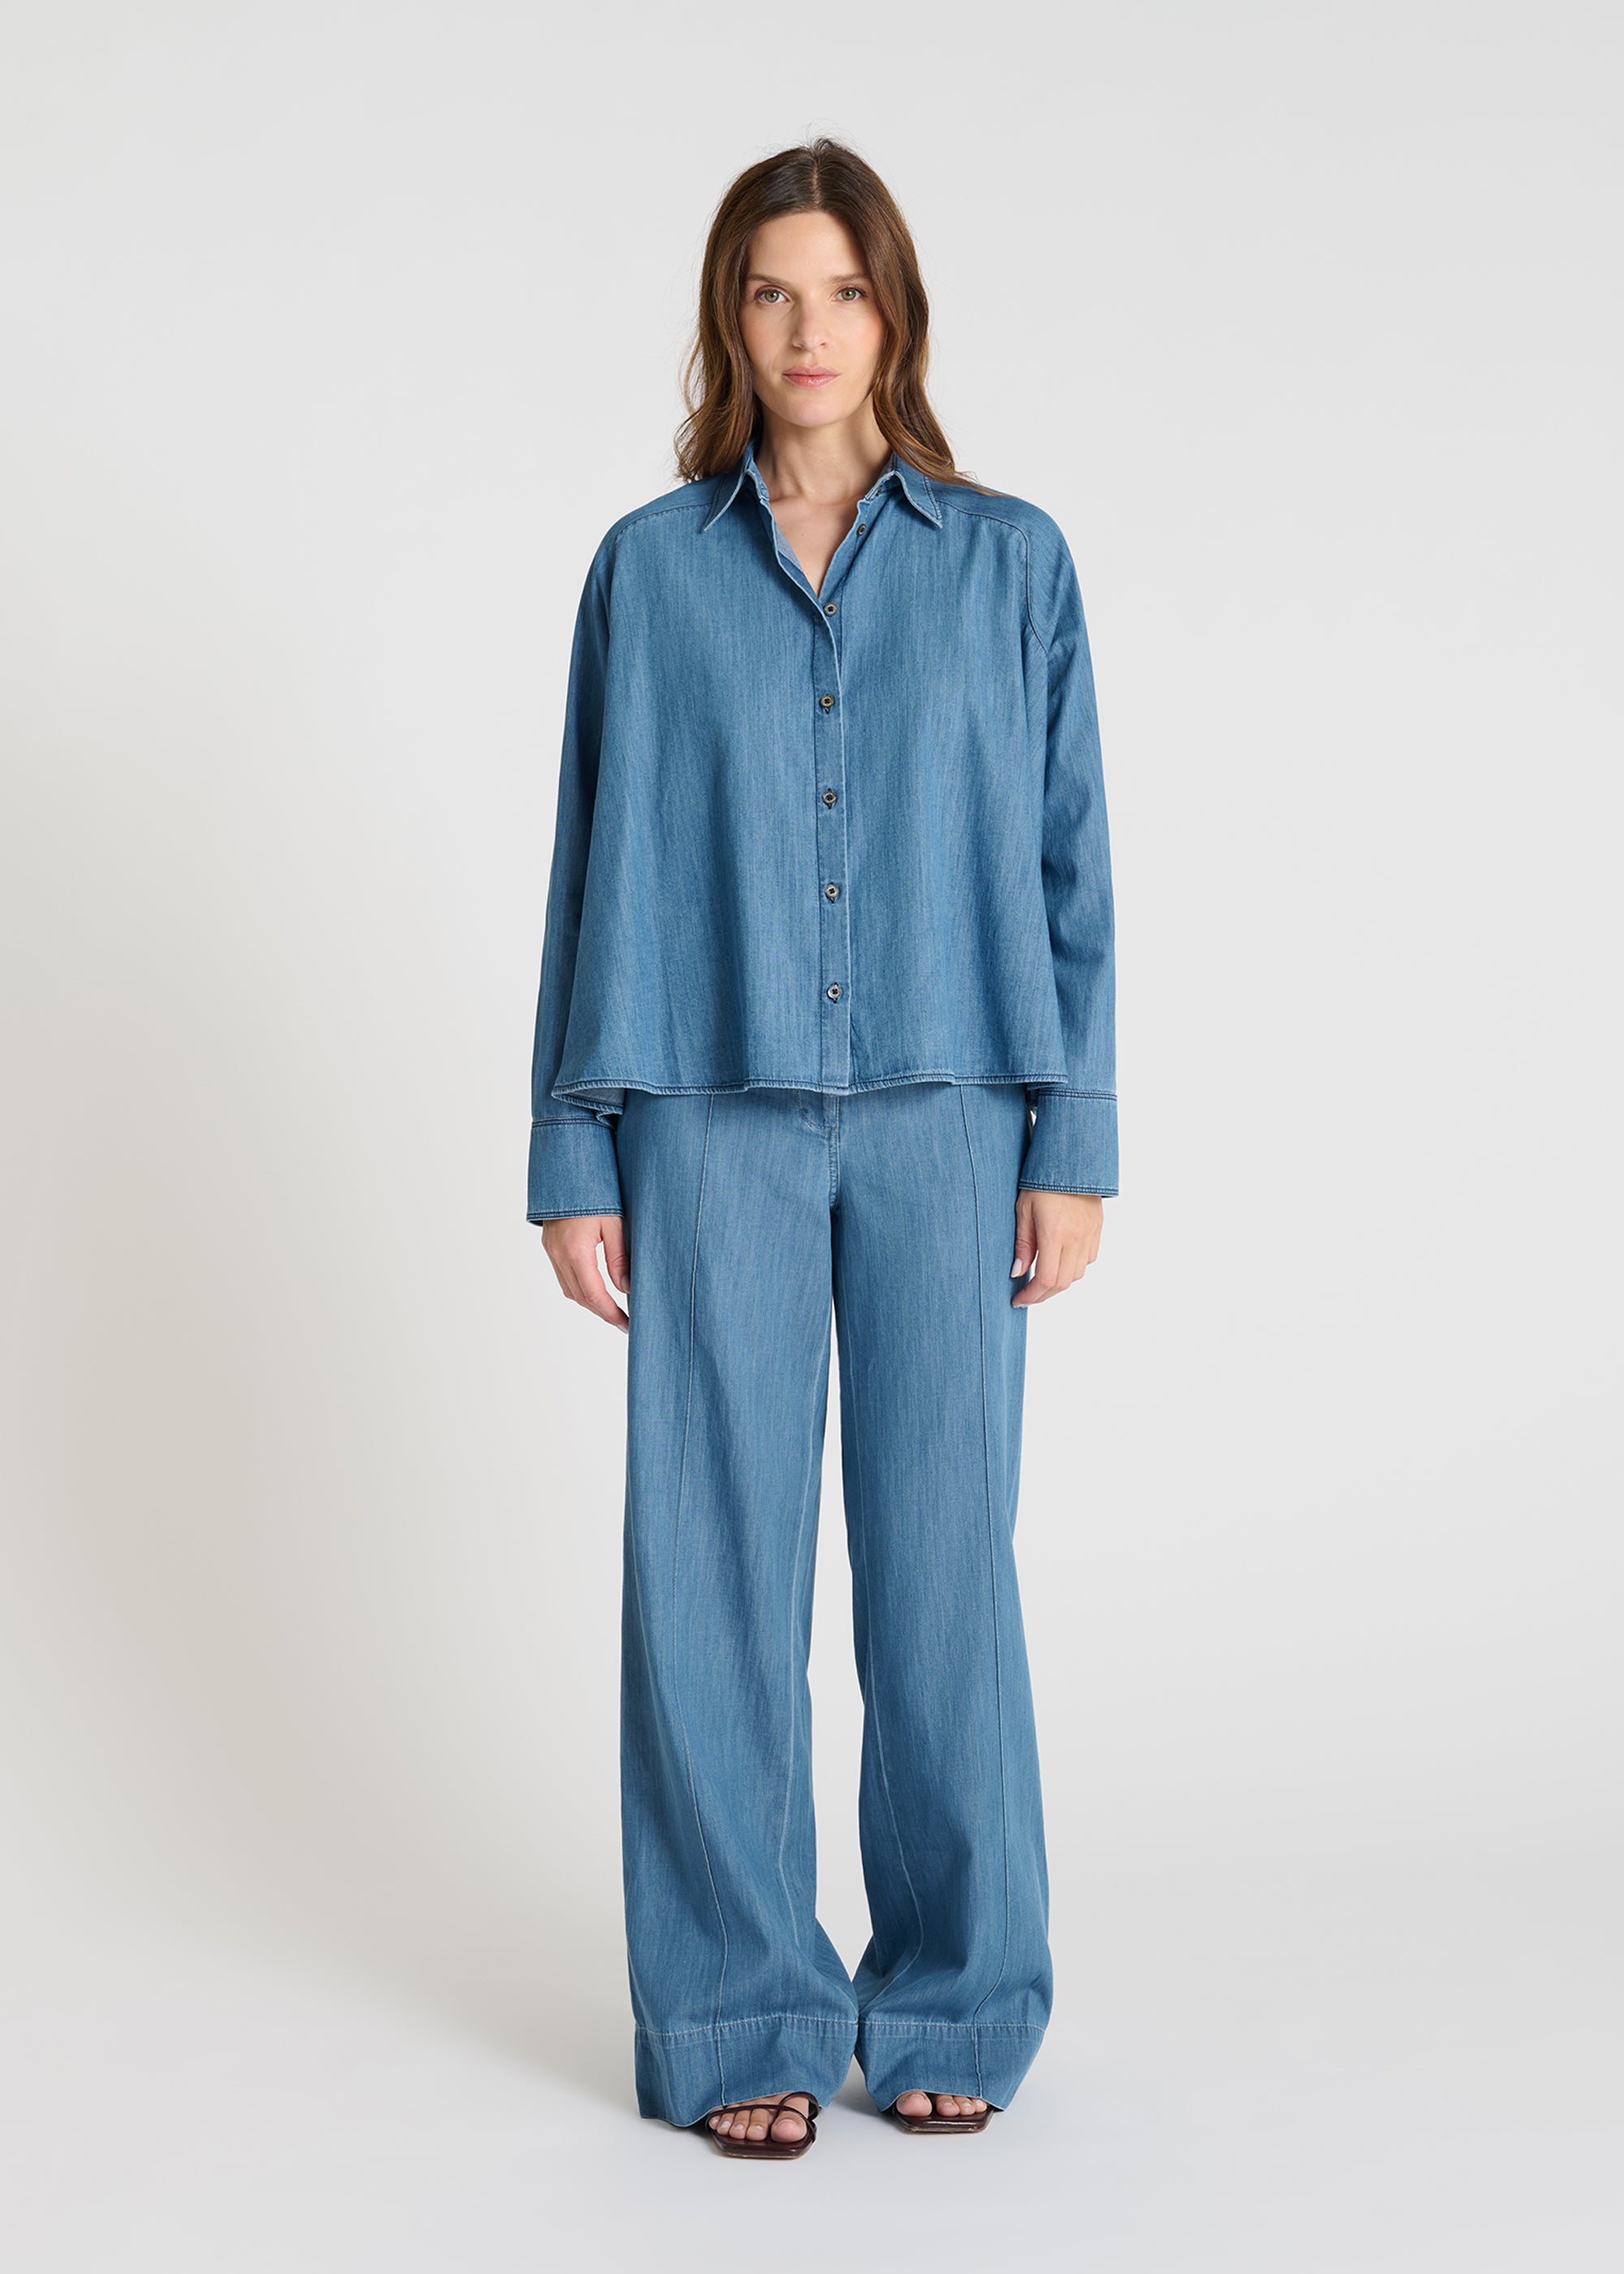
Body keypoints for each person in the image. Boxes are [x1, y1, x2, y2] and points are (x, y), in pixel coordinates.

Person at [527, 138, 1116, 2159]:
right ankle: (736, 2007)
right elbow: (590, 867)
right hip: (708, 1116)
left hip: (956, 1112)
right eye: (771, 291)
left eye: (841, 290)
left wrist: (1072, 1135)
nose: (806, 330)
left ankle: (954, 1989)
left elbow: (1071, 865)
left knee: (944, 1572)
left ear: (894, 312)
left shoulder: (1011, 564)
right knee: (707, 1574)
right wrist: (575, 1149)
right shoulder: (648, 570)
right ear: (730, 315)